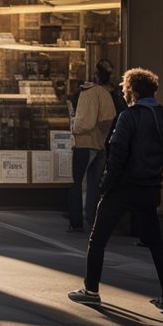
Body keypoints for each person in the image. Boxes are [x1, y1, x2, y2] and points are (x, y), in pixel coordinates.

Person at [69, 68, 163, 312]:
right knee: (156, 243)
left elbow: (117, 154)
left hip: (123, 187)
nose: (123, 92)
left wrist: (106, 184)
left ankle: (91, 291)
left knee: (97, 240)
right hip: (151, 188)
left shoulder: (129, 117)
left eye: (125, 89)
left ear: (133, 90)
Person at [69, 60, 118, 232]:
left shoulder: (88, 93)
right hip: (100, 145)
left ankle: (76, 221)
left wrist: (74, 128)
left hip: (84, 144)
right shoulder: (107, 93)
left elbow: (83, 124)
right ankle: (92, 220)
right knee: (94, 185)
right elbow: (109, 117)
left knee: (75, 182)